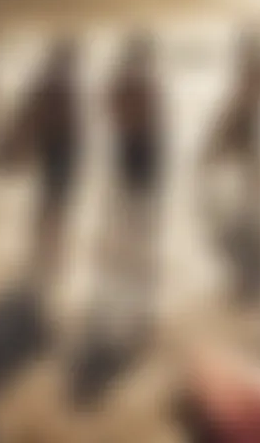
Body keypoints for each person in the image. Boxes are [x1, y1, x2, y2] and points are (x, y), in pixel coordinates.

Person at [0, 38, 82, 289]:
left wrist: (19, 141)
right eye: (72, 54)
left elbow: (29, 111)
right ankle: (46, 253)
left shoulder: (55, 79)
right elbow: (36, 113)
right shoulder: (57, 80)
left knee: (51, 199)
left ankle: (44, 252)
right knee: (54, 200)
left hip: (58, 147)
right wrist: (19, 141)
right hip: (59, 148)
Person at [203, 30, 260, 305]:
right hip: (247, 167)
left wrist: (214, 151)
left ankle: (249, 283)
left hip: (246, 168)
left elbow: (234, 129)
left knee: (241, 224)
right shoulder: (249, 93)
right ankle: (251, 282)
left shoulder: (249, 93)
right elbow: (230, 128)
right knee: (244, 223)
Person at [104, 33, 164, 332]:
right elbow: (146, 124)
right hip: (143, 167)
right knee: (139, 238)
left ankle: (133, 307)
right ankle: (140, 309)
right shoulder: (144, 85)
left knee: (130, 237)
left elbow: (113, 115)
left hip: (133, 165)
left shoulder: (131, 85)